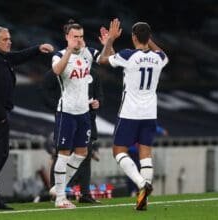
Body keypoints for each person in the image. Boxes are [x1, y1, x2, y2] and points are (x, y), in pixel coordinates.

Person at [0, 26, 53, 210]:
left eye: (9, 38)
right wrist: (1, 116)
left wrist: (37, 49)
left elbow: (18, 56)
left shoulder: (0, 57)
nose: (9, 41)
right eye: (5, 39)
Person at [98, 19, 169, 210]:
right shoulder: (158, 58)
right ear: (149, 37)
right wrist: (149, 40)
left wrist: (110, 41)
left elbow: (102, 60)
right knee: (146, 154)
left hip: (130, 112)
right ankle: (142, 200)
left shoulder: (128, 55)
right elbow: (163, 54)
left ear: (133, 37)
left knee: (118, 151)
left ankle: (141, 184)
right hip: (149, 113)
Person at [50, 19, 104, 209]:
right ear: (67, 37)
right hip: (67, 112)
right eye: (75, 37)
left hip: (84, 112)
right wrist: (70, 50)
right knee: (63, 154)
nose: (79, 40)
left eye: (81, 37)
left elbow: (106, 59)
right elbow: (57, 70)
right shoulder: (59, 55)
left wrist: (109, 43)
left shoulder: (88, 53)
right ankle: (60, 199)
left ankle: (60, 187)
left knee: (82, 153)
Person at [41, 68, 103, 204]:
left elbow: (99, 95)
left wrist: (98, 102)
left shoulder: (93, 71)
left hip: (87, 118)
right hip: (67, 117)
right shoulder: (61, 67)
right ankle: (58, 193)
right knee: (62, 154)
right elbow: (44, 90)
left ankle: (84, 193)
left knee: (85, 155)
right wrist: (59, 108)